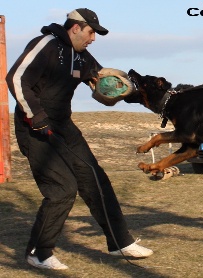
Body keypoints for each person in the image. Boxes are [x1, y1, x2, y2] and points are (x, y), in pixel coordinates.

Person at [6, 8, 153, 270]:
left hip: (64, 126)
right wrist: (36, 116)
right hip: (36, 128)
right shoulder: (46, 45)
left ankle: (120, 242)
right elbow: (16, 78)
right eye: (91, 32)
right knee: (62, 189)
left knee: (95, 178)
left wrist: (144, 93)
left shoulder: (81, 57)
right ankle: (38, 253)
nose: (93, 38)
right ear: (76, 27)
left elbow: (106, 82)